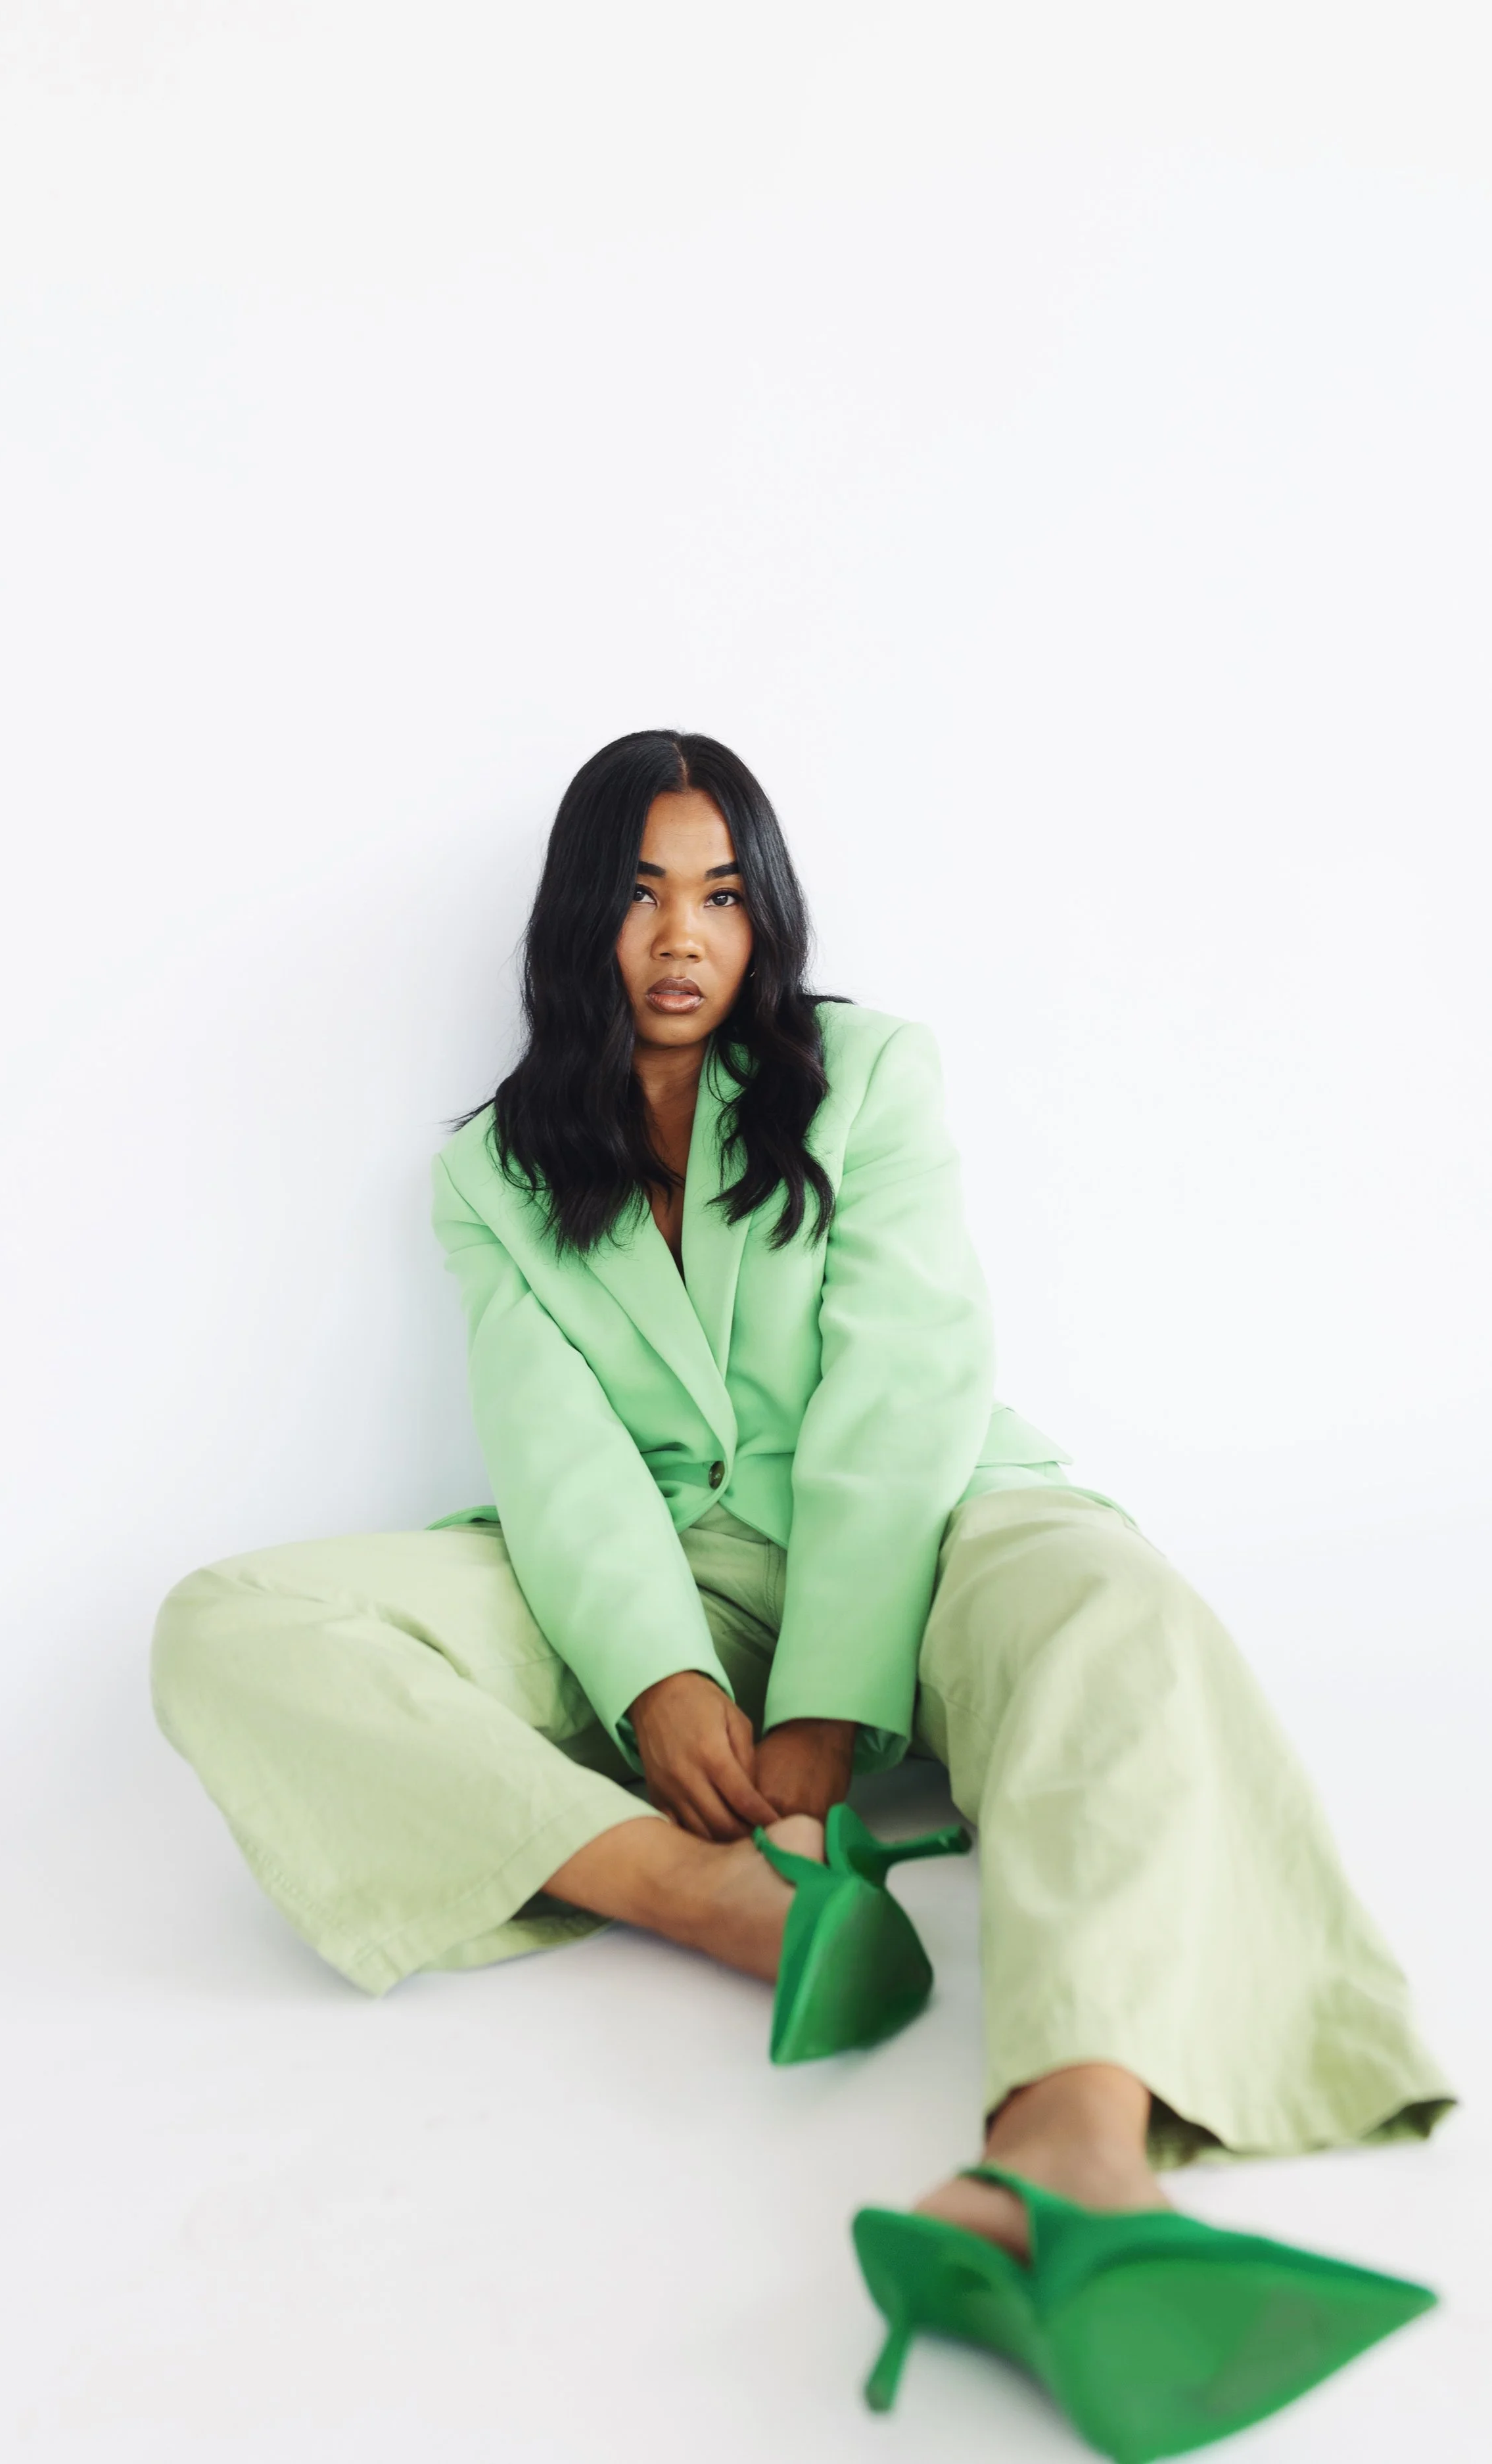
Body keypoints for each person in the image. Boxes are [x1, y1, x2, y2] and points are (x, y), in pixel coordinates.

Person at [152, 729, 1453, 2457]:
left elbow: (903, 1382)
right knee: (229, 1619)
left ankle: (1067, 2146)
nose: (681, 937)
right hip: (662, 1575)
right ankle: (713, 1896)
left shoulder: (869, 1075)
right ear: (580, 920)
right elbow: (558, 1455)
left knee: (1117, 1606)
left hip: (931, 1521)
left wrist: (829, 1705)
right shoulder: (490, 1175)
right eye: (641, 896)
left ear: (763, 916)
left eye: (719, 895)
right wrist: (656, 1679)